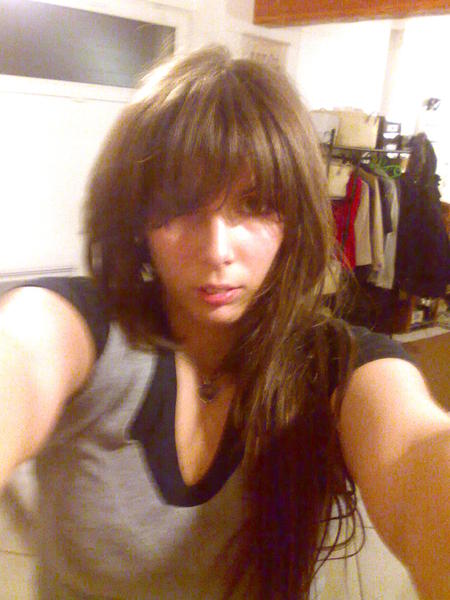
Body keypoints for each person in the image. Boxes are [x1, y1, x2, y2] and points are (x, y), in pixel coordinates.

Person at [0, 45, 448, 600]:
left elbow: (416, 453)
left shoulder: (336, 365)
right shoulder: (75, 328)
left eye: (255, 206)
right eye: (180, 207)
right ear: (137, 218)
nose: (217, 251)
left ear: (295, 218)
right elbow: (19, 356)